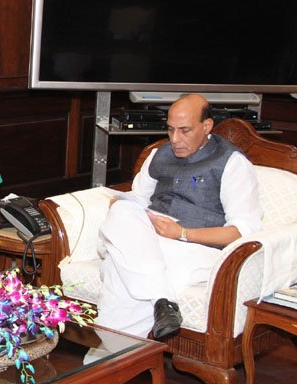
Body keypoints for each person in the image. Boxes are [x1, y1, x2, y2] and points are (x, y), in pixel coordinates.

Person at [95, 94, 262, 339]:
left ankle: (105, 363)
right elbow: (139, 199)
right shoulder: (158, 155)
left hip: (195, 245)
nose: (175, 139)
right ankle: (163, 301)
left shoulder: (232, 163)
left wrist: (182, 234)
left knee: (117, 269)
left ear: (207, 126)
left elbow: (242, 230)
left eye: (185, 131)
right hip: (149, 238)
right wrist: (120, 203)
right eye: (171, 130)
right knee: (121, 209)